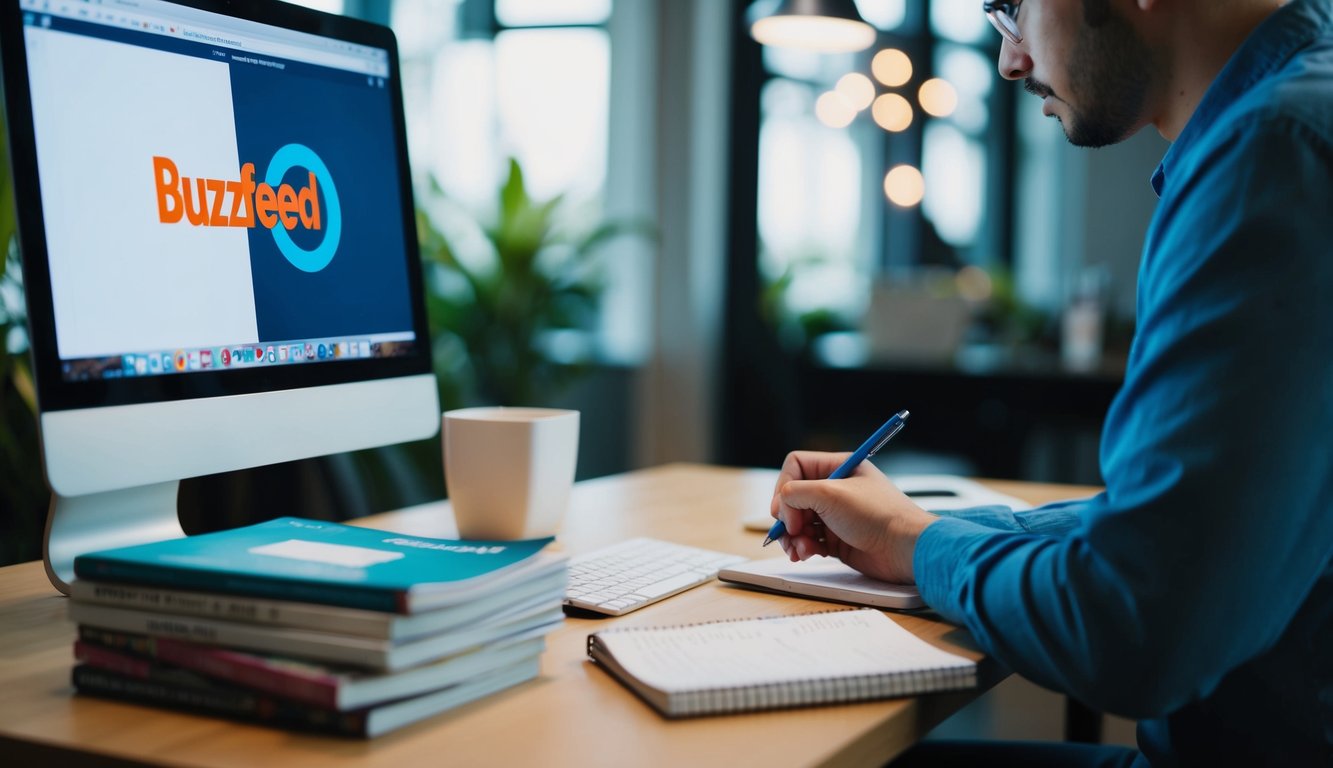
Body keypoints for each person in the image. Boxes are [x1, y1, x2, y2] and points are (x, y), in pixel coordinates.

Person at [769, 0, 1333, 765]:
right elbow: (1189, 525)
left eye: (1012, 8)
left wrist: (914, 541)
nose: (1009, 60)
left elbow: (1132, 628)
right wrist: (913, 527)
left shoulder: (1273, 153)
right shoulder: (1295, 113)